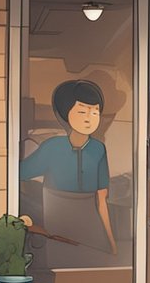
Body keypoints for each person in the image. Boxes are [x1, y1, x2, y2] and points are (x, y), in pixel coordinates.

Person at [19, 79, 117, 255]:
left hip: (90, 223)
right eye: (81, 111)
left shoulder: (98, 149)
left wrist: (110, 242)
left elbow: (102, 200)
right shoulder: (52, 147)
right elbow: (16, 175)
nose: (89, 118)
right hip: (57, 223)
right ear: (65, 114)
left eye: (94, 113)